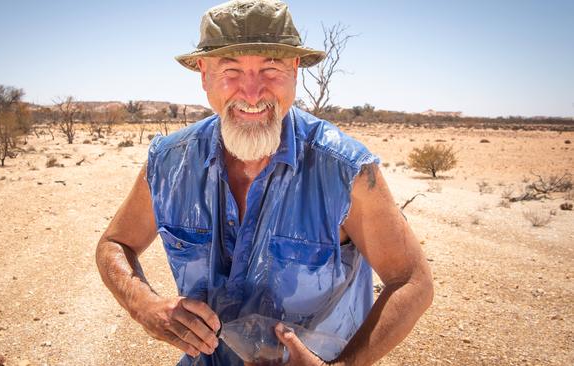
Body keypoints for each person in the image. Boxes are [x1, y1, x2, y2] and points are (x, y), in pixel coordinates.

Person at [95, 1, 433, 365]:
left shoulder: (345, 171)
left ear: (295, 70)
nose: (252, 93)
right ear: (203, 74)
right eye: (231, 70)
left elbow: (412, 281)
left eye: (270, 69)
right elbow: (115, 243)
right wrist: (143, 305)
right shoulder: (169, 163)